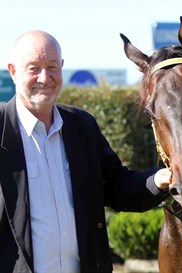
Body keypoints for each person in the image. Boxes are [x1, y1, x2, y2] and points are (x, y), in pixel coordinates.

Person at [0, 30, 172, 273]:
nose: (44, 77)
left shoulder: (82, 126)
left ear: (61, 67)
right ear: (13, 71)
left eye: (51, 67)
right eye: (33, 68)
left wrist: (159, 179)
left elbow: (117, 187)